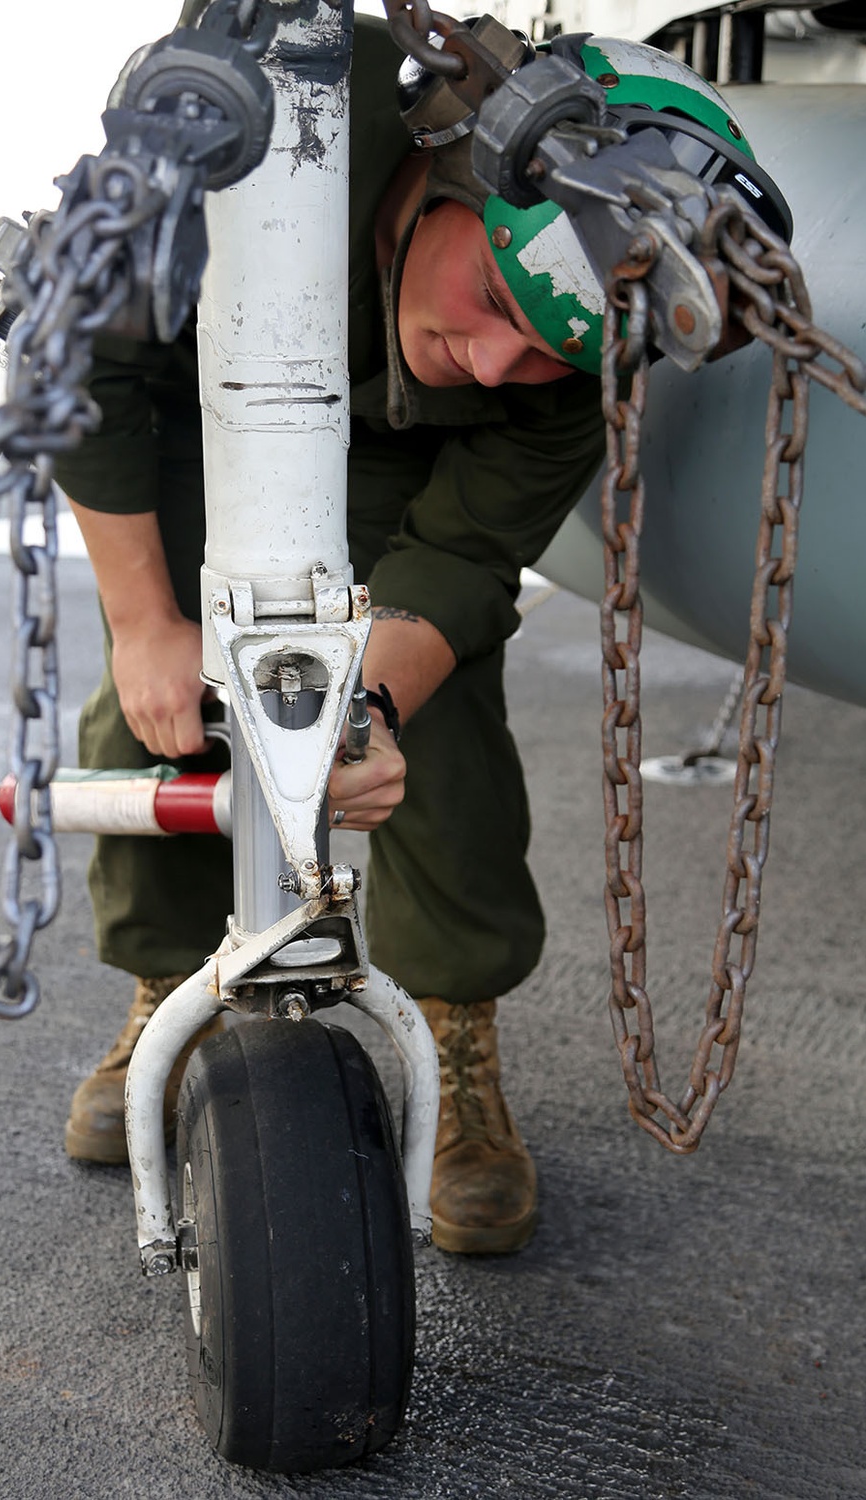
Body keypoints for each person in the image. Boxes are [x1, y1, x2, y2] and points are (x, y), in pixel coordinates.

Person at [52, 17, 790, 1254]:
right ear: (453, 181)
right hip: (204, 407)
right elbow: (85, 365)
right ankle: (166, 983)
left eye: (545, 359)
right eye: (495, 295)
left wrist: (365, 713)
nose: (492, 358)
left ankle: (452, 1024)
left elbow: (455, 558)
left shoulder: (556, 381)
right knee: (170, 697)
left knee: (433, 749)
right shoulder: (262, 140)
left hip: (400, 470)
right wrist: (142, 623)